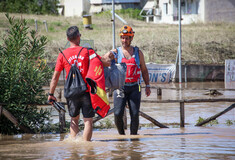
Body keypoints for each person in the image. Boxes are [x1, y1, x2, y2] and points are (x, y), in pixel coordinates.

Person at [48, 26, 111, 141]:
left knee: (74, 119)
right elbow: (103, 63)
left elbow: (55, 77)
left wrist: (51, 94)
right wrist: (110, 55)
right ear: (79, 37)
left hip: (71, 92)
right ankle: (87, 148)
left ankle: (74, 149)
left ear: (67, 39)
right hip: (86, 92)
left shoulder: (62, 54)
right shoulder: (88, 51)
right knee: (88, 121)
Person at [106, 25, 151, 135]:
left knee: (135, 114)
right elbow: (104, 60)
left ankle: (134, 139)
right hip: (120, 88)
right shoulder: (116, 52)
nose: (124, 40)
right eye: (122, 37)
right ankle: (121, 136)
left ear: (131, 38)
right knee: (117, 113)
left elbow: (144, 70)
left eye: (126, 38)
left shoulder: (138, 53)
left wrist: (148, 85)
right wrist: (107, 55)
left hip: (135, 87)